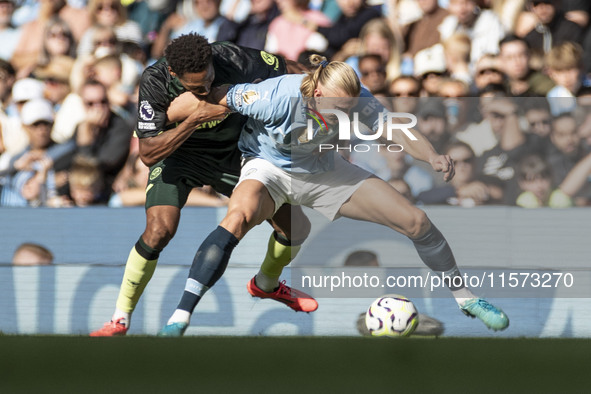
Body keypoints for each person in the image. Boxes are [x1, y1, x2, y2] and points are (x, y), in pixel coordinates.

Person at [159, 55, 509, 336]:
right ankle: (181, 316)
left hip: (323, 169)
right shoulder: (274, 95)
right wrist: (160, 119)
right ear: (318, 95)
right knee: (237, 218)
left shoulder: (357, 100)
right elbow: (207, 101)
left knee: (416, 221)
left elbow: (397, 129)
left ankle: (467, 299)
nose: (346, 113)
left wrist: (432, 155)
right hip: (268, 167)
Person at [89, 33, 311, 336]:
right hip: (180, 156)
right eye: (197, 88)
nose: (206, 89)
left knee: (295, 227)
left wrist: (320, 79)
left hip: (234, 155)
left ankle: (267, 285)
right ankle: (119, 318)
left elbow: (286, 67)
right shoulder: (155, 80)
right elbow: (148, 153)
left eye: (209, 79)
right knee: (158, 231)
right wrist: (194, 119)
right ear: (174, 74)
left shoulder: (232, 58)